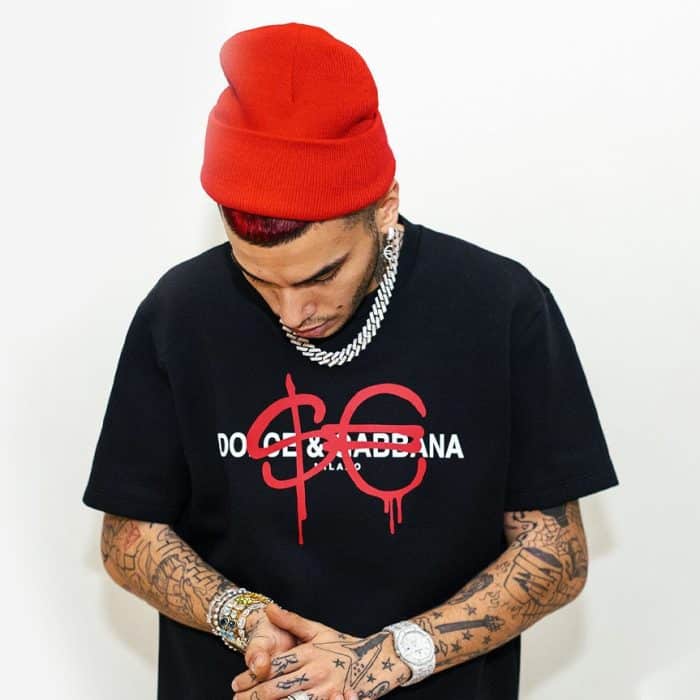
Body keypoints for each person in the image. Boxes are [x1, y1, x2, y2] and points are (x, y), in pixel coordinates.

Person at [82, 21, 620, 700]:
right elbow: (128, 535)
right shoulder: (180, 312)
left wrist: (393, 655)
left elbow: (557, 553)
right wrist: (246, 619)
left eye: (322, 275)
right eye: (259, 279)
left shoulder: (501, 307)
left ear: (385, 208)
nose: (292, 312)